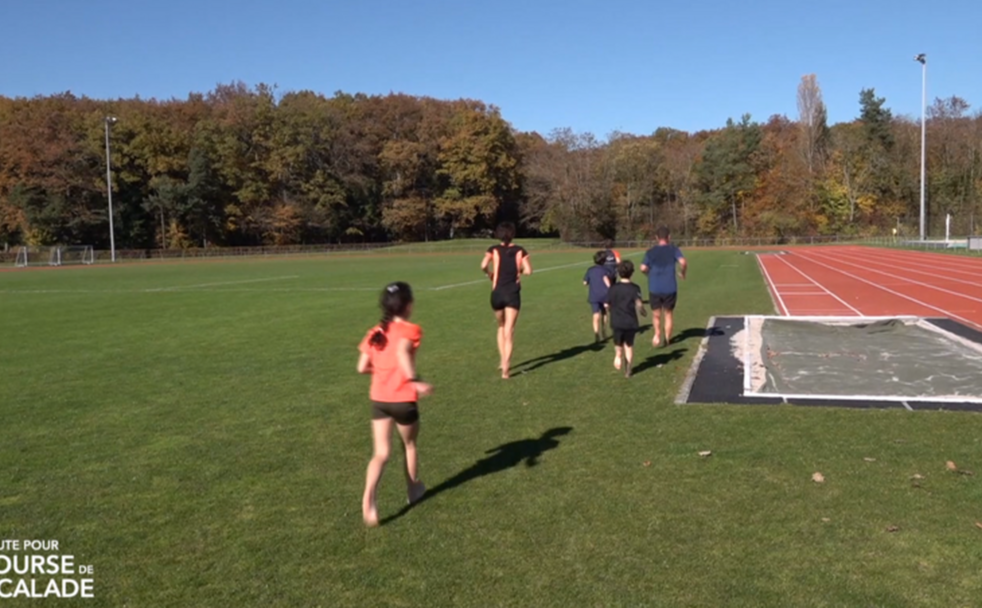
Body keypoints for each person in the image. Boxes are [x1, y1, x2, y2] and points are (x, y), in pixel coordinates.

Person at [357, 282, 433, 527]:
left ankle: (369, 497)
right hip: (403, 399)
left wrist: (381, 372)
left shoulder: (375, 331)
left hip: (379, 399)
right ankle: (413, 490)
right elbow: (402, 353)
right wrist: (414, 381)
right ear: (409, 306)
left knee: (380, 453)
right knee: (409, 445)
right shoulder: (411, 330)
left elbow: (361, 367)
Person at [481, 222, 532, 379]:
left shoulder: (493, 249)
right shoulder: (520, 250)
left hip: (496, 294)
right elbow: (529, 271)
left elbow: (483, 265)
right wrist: (519, 270)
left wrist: (489, 273)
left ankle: (502, 361)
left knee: (501, 327)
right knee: (509, 331)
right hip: (512, 293)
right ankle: (506, 369)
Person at [640, 226, 687, 347]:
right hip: (670, 287)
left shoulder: (650, 252)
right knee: (668, 314)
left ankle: (657, 334)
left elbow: (643, 268)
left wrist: (648, 274)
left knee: (656, 314)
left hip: (654, 287)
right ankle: (667, 339)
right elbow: (683, 262)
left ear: (656, 238)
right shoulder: (673, 249)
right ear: (669, 237)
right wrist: (682, 273)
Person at [606, 260, 647, 377]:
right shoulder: (635, 288)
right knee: (629, 344)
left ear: (618, 273)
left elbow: (607, 304)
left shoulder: (613, 288)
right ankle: (628, 369)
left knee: (618, 343)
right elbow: (639, 305)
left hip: (616, 321)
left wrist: (611, 310)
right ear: (632, 273)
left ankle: (618, 356)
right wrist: (643, 312)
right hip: (630, 322)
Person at [583, 250, 612, 342]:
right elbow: (608, 283)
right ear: (604, 261)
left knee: (595, 315)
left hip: (594, 295)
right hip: (604, 295)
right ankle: (604, 332)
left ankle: (596, 334)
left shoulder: (590, 270)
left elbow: (584, 283)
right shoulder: (606, 270)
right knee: (604, 313)